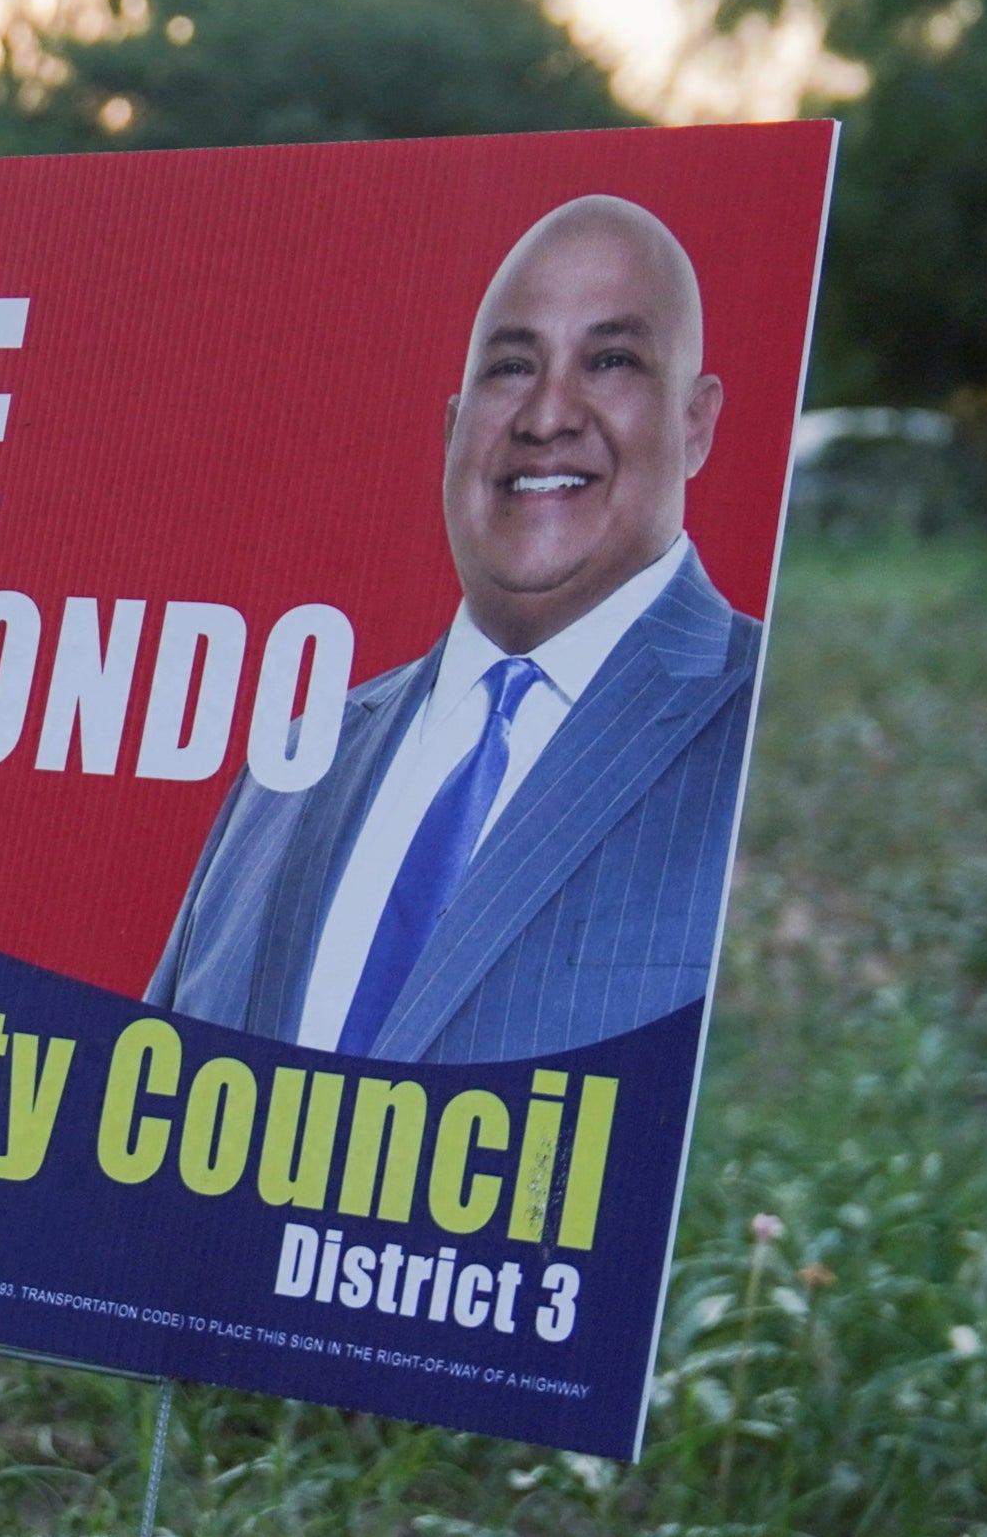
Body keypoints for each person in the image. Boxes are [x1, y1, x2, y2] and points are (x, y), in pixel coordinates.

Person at [146, 193, 764, 1065]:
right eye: (511, 367)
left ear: (695, 423)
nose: (547, 415)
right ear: (450, 429)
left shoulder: (764, 725)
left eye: (611, 359)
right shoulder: (289, 767)